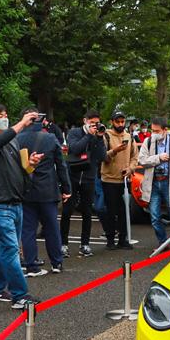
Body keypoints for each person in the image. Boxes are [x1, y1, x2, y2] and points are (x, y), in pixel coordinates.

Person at [0, 104, 45, 309]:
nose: (5, 118)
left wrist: (31, 163)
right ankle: (20, 295)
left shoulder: (12, 141)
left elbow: (22, 169)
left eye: (6, 115)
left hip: (15, 201)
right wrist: (22, 123)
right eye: (1, 115)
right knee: (10, 249)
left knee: (7, 249)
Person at [17, 108, 70, 276]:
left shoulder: (17, 138)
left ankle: (31, 265)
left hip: (26, 189)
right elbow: (61, 165)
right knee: (52, 228)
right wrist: (66, 188)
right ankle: (56, 263)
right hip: (48, 189)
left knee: (28, 229)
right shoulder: (50, 138)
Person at [61, 111, 107, 259]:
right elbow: (74, 149)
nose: (95, 126)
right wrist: (88, 135)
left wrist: (99, 138)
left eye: (97, 123)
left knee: (87, 211)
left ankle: (85, 244)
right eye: (92, 123)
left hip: (89, 177)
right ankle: (63, 244)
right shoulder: (74, 132)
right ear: (85, 121)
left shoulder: (98, 135)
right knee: (67, 210)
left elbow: (101, 156)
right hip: (72, 176)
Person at [138, 117, 170, 246]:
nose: (154, 133)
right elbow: (141, 160)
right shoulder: (148, 142)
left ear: (165, 130)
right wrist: (158, 158)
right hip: (154, 183)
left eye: (157, 131)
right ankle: (162, 242)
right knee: (155, 216)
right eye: (152, 130)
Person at [99, 111, 139, 250]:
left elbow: (135, 156)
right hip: (109, 179)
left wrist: (131, 169)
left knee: (124, 210)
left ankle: (123, 239)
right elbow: (103, 156)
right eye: (118, 121)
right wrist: (115, 150)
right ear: (112, 122)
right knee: (111, 210)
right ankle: (110, 240)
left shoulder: (129, 136)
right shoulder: (106, 136)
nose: (121, 124)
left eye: (123, 121)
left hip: (125, 180)